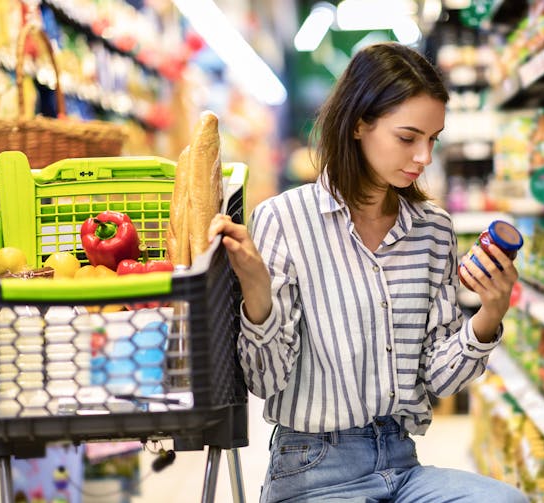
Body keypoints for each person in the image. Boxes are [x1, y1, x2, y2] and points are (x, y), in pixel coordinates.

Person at [208, 42, 527, 503]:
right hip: (311, 465)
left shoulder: (433, 229)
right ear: (359, 123)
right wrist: (257, 295)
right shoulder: (285, 218)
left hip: (401, 460)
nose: (424, 157)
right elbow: (265, 381)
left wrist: (490, 313)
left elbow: (439, 378)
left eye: (432, 139)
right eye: (407, 137)